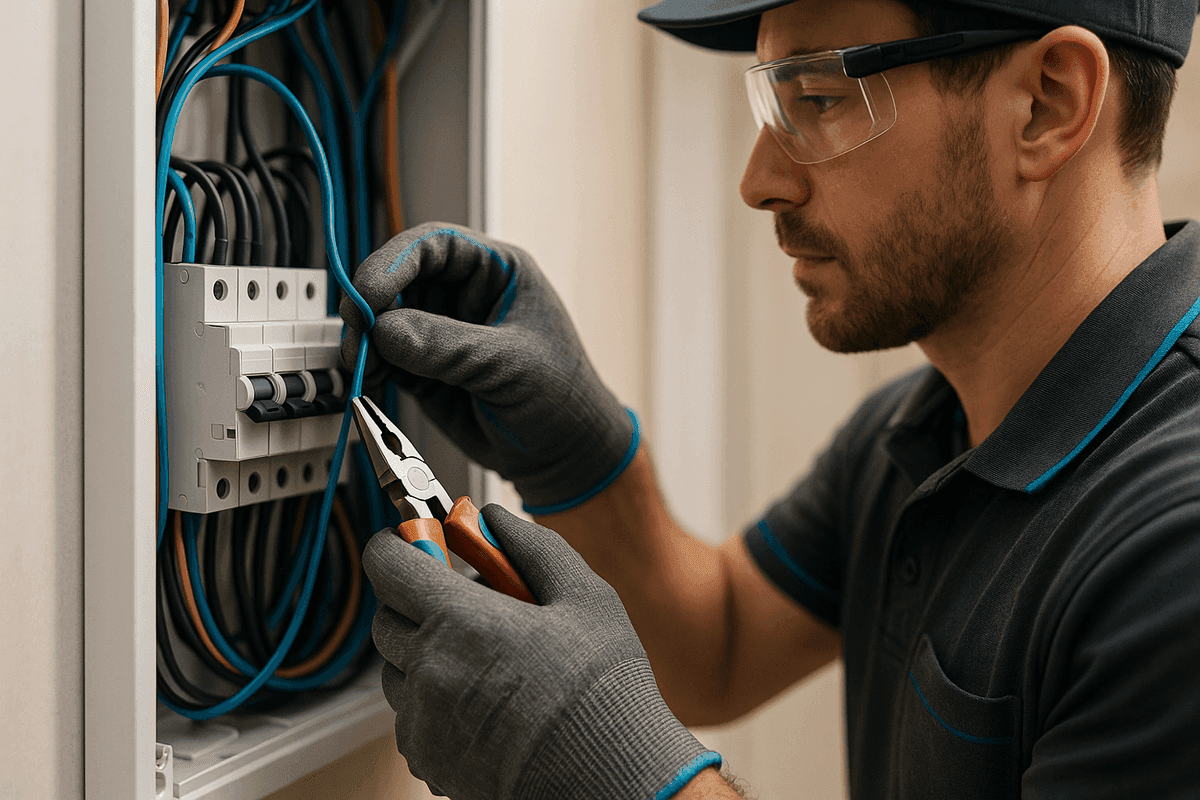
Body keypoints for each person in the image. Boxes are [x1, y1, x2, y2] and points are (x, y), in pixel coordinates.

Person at [341, 0, 1200, 797]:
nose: (760, 181)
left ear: (1048, 104)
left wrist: (623, 772)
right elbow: (714, 646)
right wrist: (580, 458)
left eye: (819, 98)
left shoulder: (1173, 542)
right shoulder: (923, 429)